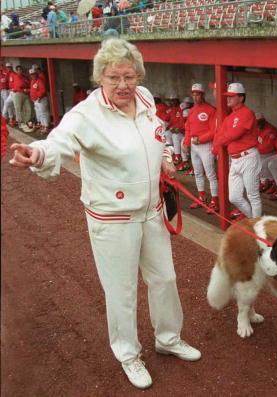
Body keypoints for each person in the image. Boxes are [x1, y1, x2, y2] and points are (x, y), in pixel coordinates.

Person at [8, 38, 200, 389]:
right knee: (121, 290)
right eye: (114, 78)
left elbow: (154, 139)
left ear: (139, 76)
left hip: (152, 211)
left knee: (165, 280)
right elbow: (59, 141)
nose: (123, 85)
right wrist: (37, 154)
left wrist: (166, 160)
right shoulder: (85, 115)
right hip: (113, 219)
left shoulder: (144, 99)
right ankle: (128, 353)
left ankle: (168, 338)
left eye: (129, 76)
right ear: (101, 78)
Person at [213, 82, 261, 220]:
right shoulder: (229, 117)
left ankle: (256, 229)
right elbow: (220, 135)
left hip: (248, 157)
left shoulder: (247, 113)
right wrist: (218, 142)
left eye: (232, 96)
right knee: (234, 197)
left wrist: (219, 141)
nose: (228, 99)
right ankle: (255, 221)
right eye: (228, 96)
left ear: (241, 97)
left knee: (253, 195)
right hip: (235, 159)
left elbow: (234, 134)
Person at [183, 82, 218, 213]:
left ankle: (215, 200)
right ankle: (201, 197)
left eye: (198, 94)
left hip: (205, 145)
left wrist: (201, 139)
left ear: (203, 95)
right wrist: (186, 142)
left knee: (210, 174)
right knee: (197, 173)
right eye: (194, 94)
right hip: (194, 145)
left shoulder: (211, 110)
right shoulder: (191, 111)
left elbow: (213, 130)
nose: (195, 96)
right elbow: (188, 128)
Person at [254, 112, 277, 194]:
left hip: (272, 153)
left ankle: (271, 181)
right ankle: (264, 181)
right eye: (256, 122)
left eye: (259, 122)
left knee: (261, 163)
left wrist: (256, 150)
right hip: (262, 152)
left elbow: (269, 147)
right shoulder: (257, 128)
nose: (258, 124)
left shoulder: (271, 130)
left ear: (264, 120)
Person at [28, 68, 50, 134]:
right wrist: (32, 98)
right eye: (31, 74)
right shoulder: (32, 81)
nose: (33, 75)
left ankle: (46, 127)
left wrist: (39, 97)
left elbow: (43, 90)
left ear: (36, 74)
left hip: (41, 100)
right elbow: (32, 90)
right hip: (36, 100)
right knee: (40, 114)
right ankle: (43, 126)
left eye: (34, 74)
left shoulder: (39, 80)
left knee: (44, 113)